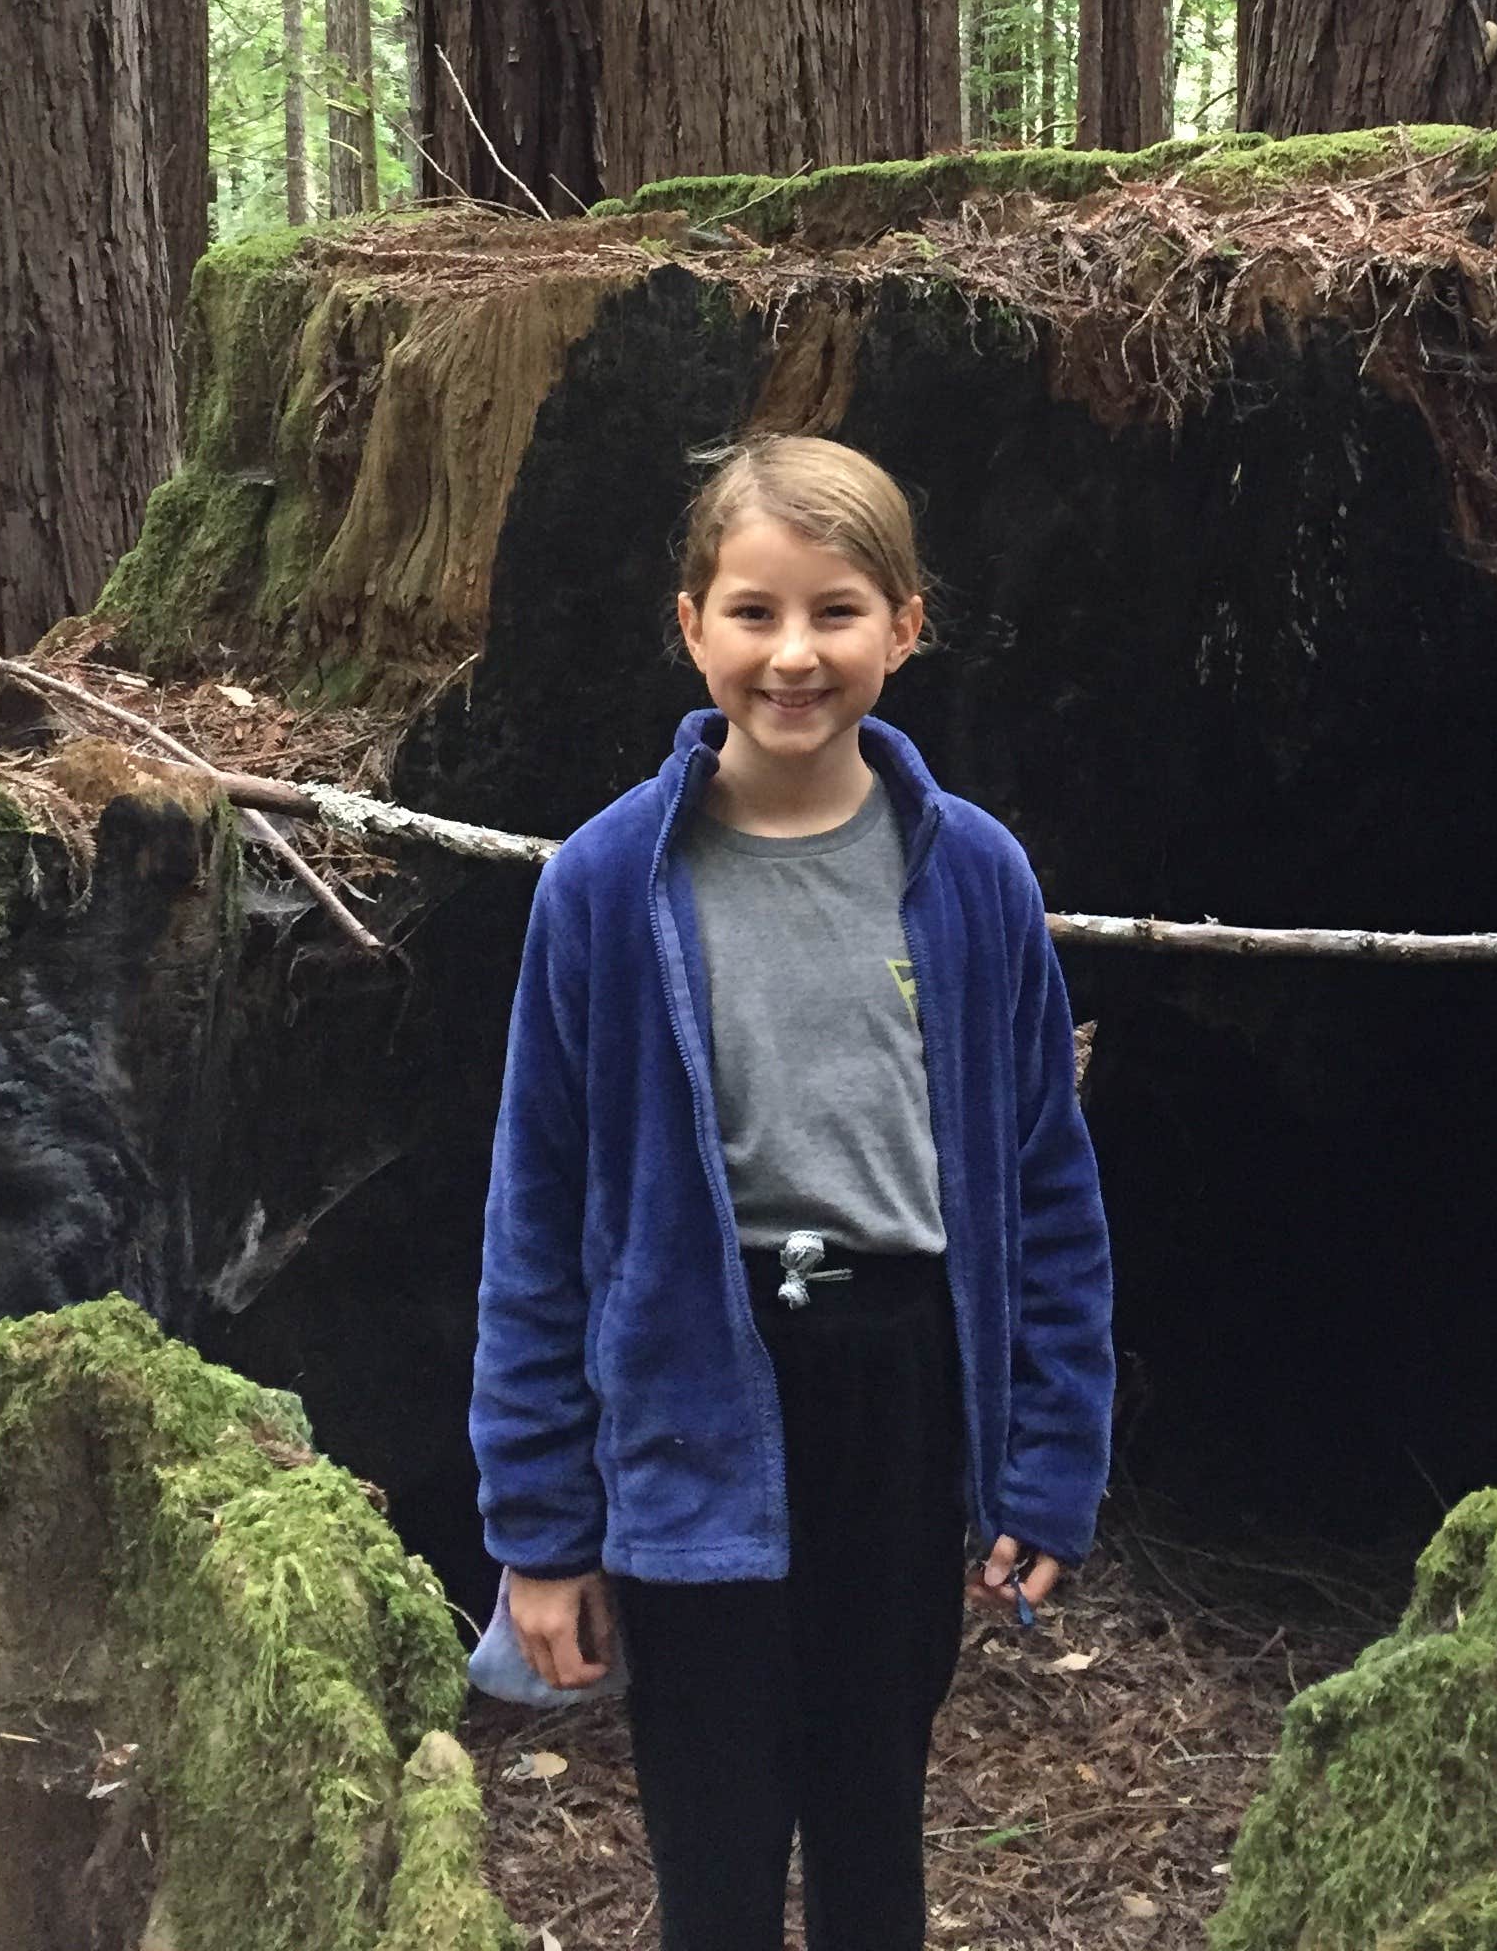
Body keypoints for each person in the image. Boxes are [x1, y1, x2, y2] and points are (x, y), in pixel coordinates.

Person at [471, 432, 1115, 1951]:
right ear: (691, 624)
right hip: (694, 1388)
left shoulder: (975, 881)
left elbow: (1048, 1189)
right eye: (753, 612)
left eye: (835, 611)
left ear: (906, 623)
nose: (793, 654)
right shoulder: (607, 889)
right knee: (713, 1829)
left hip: (897, 1392)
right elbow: (539, 1215)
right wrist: (540, 1524)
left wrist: (1047, 1462)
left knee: (872, 1807)